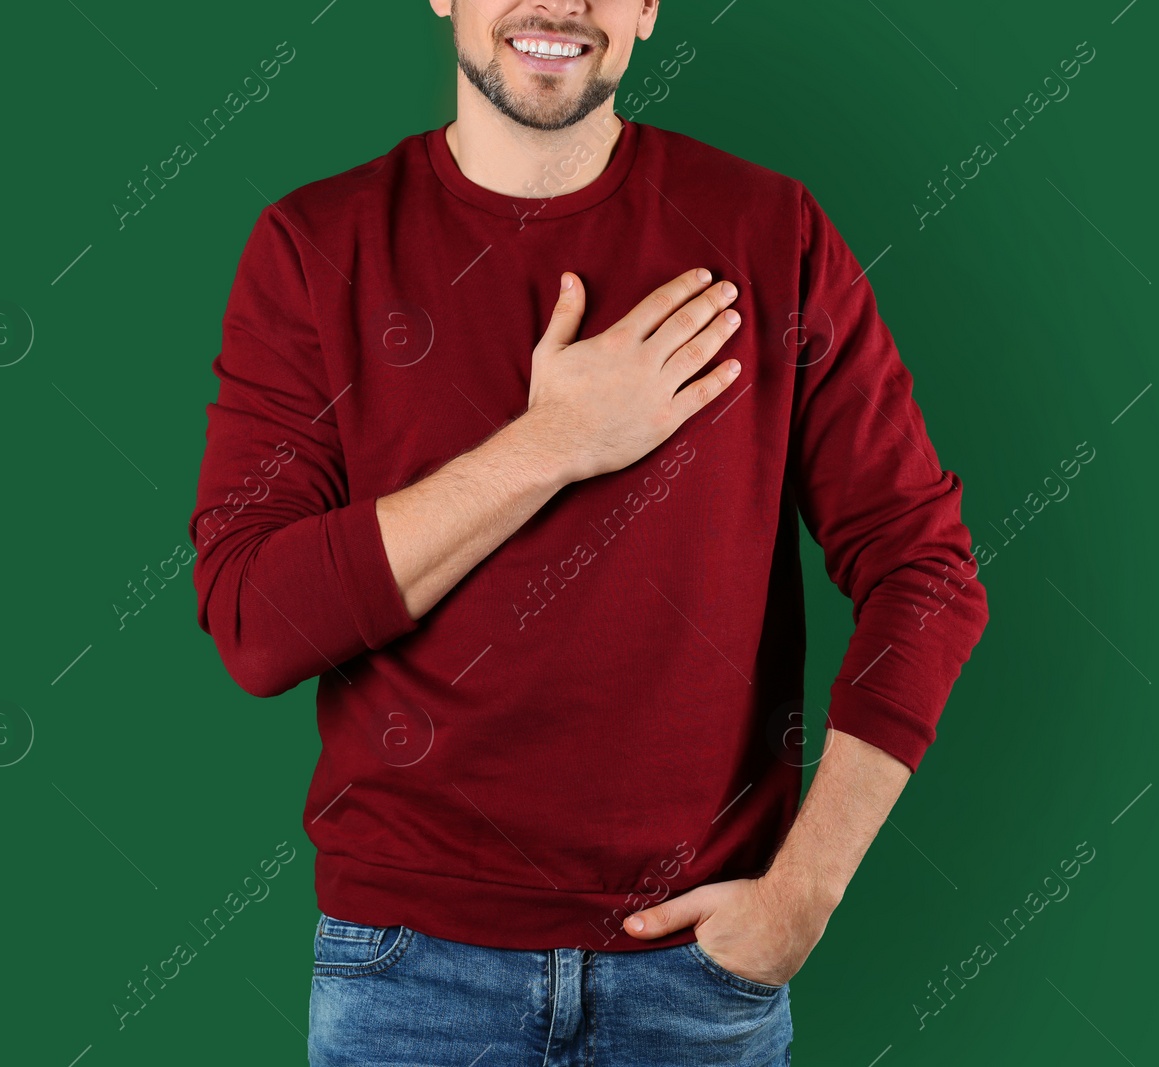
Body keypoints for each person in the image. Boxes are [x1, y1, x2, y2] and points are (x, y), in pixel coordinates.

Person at [187, 2, 988, 1063]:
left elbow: (923, 566)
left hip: (699, 979)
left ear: (648, 7)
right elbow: (256, 621)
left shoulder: (769, 231)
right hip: (408, 976)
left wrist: (805, 888)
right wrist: (556, 440)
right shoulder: (315, 246)